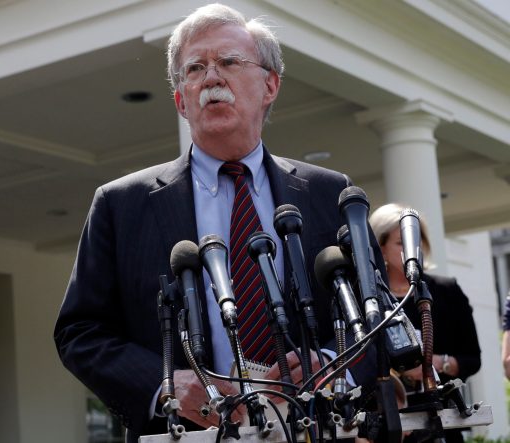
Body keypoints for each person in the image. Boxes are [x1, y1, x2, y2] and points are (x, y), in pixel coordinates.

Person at [54, 4, 383, 441]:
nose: (211, 78)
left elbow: (379, 316)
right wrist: (165, 383)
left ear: (269, 85)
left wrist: (332, 360)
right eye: (195, 69)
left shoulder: (329, 194)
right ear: (180, 101)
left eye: (229, 62)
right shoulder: (120, 205)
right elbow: (81, 332)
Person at [369, 203, 481, 443]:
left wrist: (439, 364)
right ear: (381, 247)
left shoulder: (446, 290)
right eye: (401, 243)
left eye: (417, 240)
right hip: (388, 427)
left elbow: (473, 358)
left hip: (443, 424)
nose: (411, 249)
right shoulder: (367, 299)